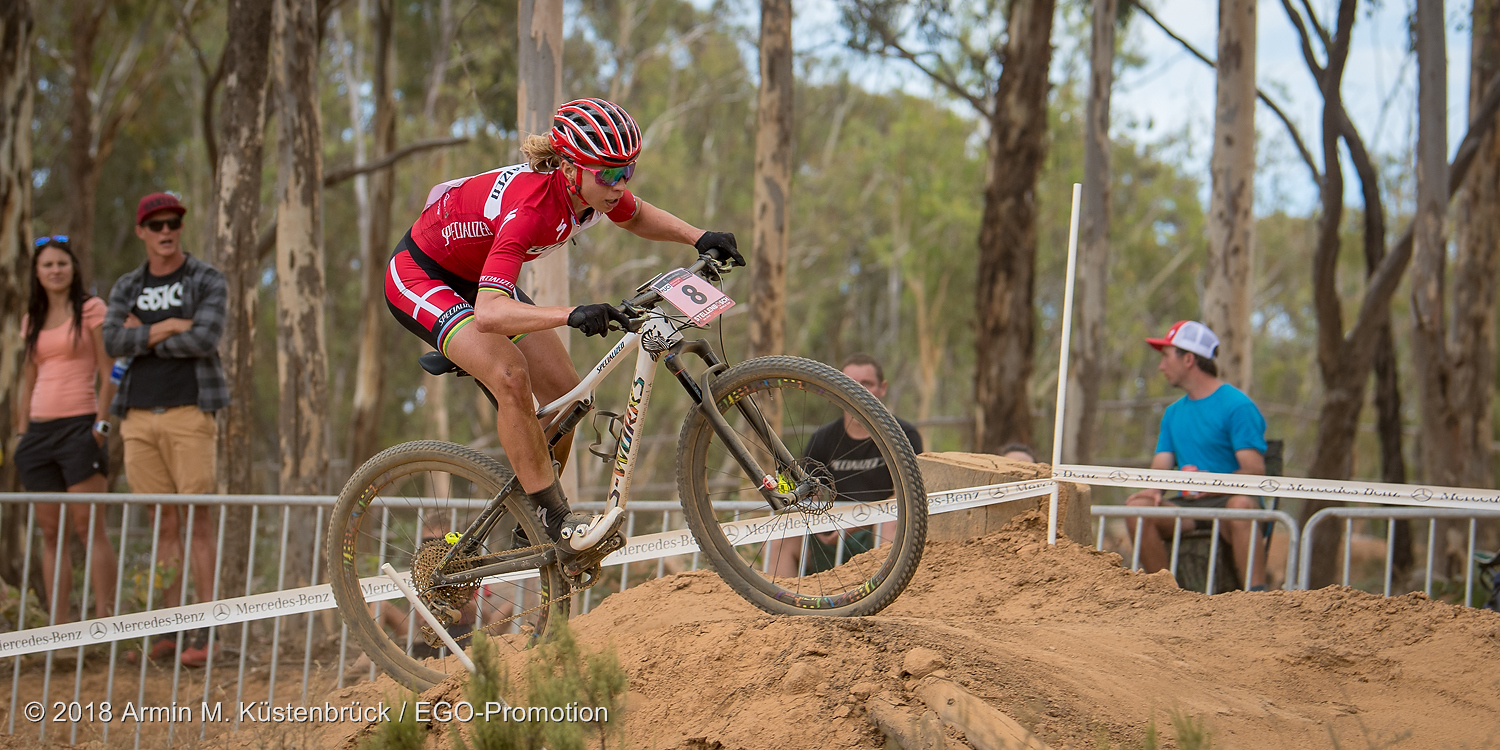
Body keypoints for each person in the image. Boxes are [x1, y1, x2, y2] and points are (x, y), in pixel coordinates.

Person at [385, 98, 743, 577]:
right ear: (573, 168)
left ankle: (527, 519)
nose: (621, 185)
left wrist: (699, 237)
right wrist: (571, 313)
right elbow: (490, 313)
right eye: (609, 175)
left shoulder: (592, 192)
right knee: (511, 376)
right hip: (423, 277)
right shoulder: (532, 207)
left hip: (480, 275)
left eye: (628, 170)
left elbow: (636, 216)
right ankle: (553, 516)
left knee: (570, 399)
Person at [103, 192, 226, 665]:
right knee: (162, 522)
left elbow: (206, 337)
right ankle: (168, 630)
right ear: (142, 231)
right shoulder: (127, 285)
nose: (166, 230)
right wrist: (171, 325)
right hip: (136, 415)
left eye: (173, 222)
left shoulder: (206, 278)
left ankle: (208, 632)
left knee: (198, 518)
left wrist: (146, 333)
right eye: (155, 225)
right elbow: (113, 339)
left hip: (189, 411)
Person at [12, 236, 119, 623]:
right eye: (47, 265)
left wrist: (100, 428)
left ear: (73, 268)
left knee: (89, 528)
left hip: (81, 428)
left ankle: (105, 624)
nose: (55, 270)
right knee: (52, 533)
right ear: (37, 273)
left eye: (62, 263)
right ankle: (59, 630)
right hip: (38, 435)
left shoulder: (91, 310)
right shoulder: (32, 319)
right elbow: (29, 377)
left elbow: (112, 372)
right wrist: (22, 432)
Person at [1124, 320, 1269, 590]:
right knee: (1137, 509)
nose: (1161, 366)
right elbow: (1160, 469)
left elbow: (1255, 470)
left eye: (1166, 356)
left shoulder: (1237, 405)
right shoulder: (1173, 413)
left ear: (1188, 359)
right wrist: (1151, 490)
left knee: (1240, 507)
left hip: (1229, 504)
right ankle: (1165, 596)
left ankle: (1258, 598)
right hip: (1187, 509)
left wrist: (1211, 482)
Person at [767, 353, 924, 577]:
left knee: (892, 519)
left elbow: (907, 494)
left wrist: (856, 522)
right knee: (784, 533)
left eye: (866, 384)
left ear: (883, 388)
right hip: (829, 531)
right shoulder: (822, 438)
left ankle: (889, 594)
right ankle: (781, 603)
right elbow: (808, 490)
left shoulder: (903, 435)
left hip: (876, 530)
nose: (857, 392)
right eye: (848, 384)